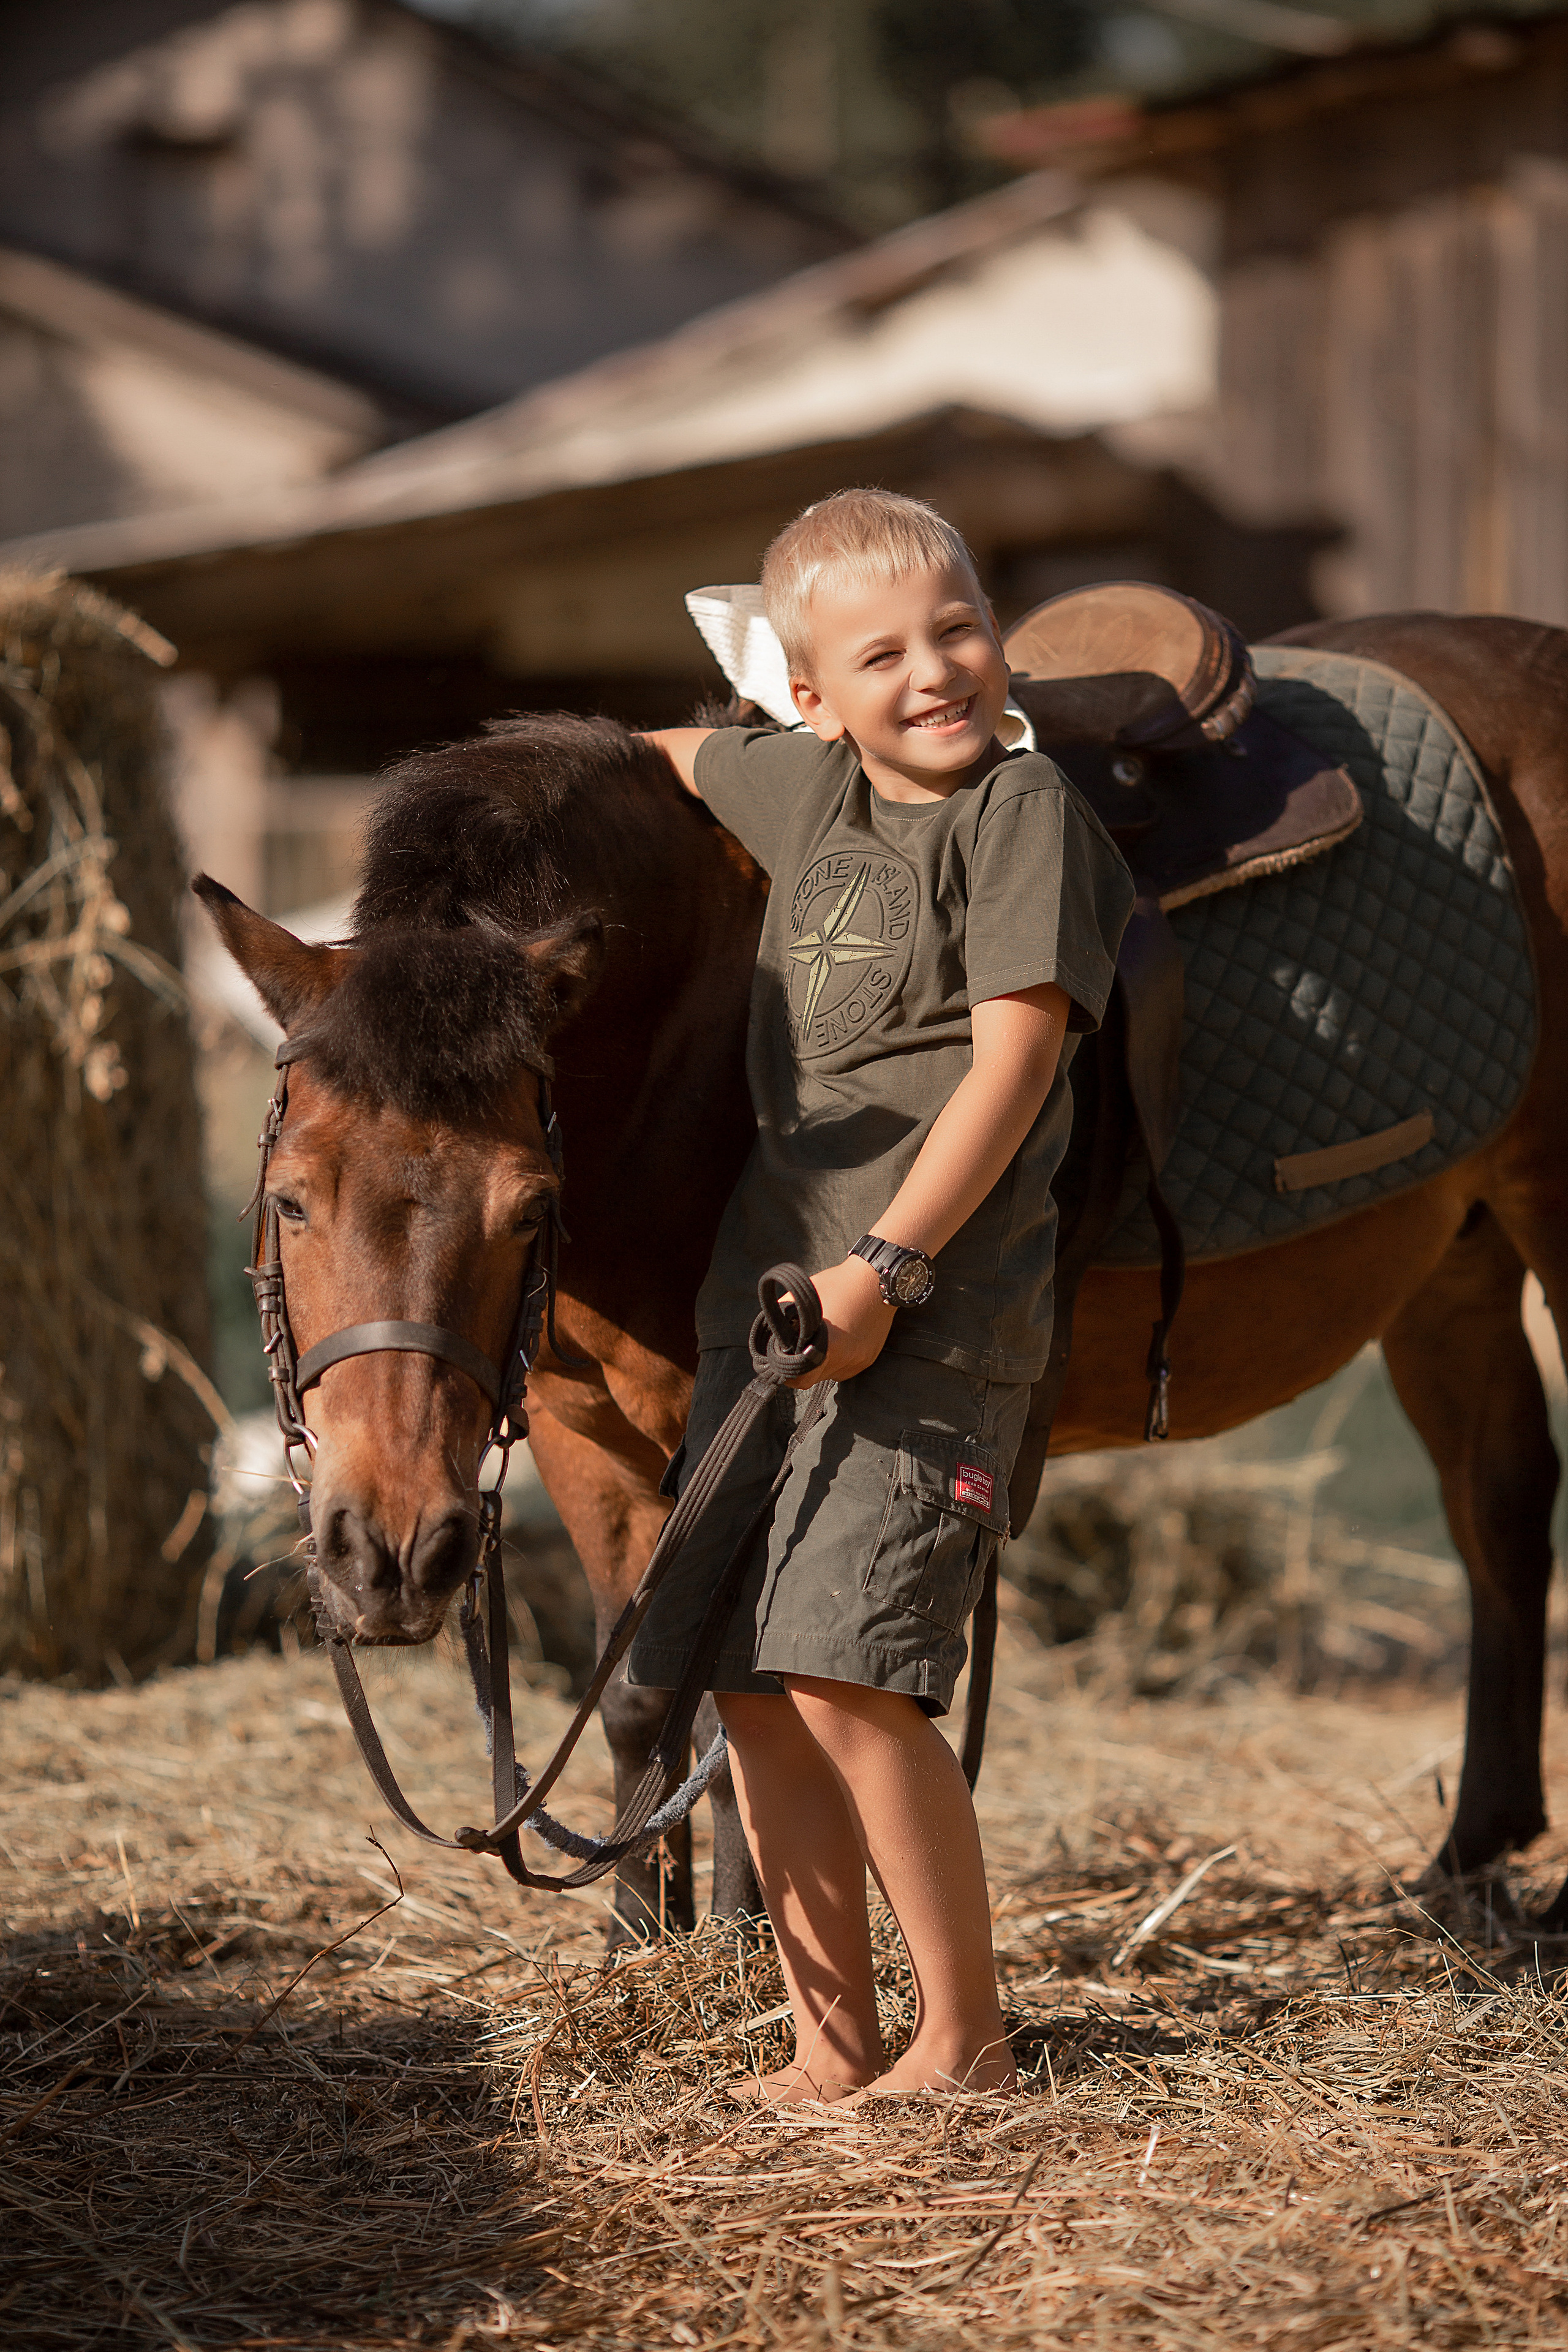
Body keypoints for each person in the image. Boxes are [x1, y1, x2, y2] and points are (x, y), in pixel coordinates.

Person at [631, 489, 1134, 2101]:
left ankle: (965, 2038)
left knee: (848, 1672)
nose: (934, 671)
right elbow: (661, 756)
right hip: (765, 1316)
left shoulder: (1020, 811)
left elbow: (1017, 1064)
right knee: (750, 1682)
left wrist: (888, 1268)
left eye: (958, 629)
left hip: (934, 1313)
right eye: (882, 655)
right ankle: (830, 2042)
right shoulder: (805, 783)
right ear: (809, 696)